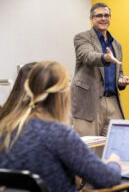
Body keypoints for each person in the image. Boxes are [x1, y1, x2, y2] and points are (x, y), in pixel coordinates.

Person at [0, 61, 121, 192]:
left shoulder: (7, 129)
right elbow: (107, 179)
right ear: (61, 95)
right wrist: (114, 162)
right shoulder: (59, 133)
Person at [71, 2, 129, 137]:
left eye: (106, 15)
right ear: (91, 19)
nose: (103, 18)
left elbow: (119, 71)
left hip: (113, 101)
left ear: (110, 18)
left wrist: (122, 80)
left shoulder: (116, 44)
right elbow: (87, 56)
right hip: (88, 101)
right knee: (88, 149)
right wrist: (105, 58)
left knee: (114, 145)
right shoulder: (82, 37)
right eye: (99, 16)